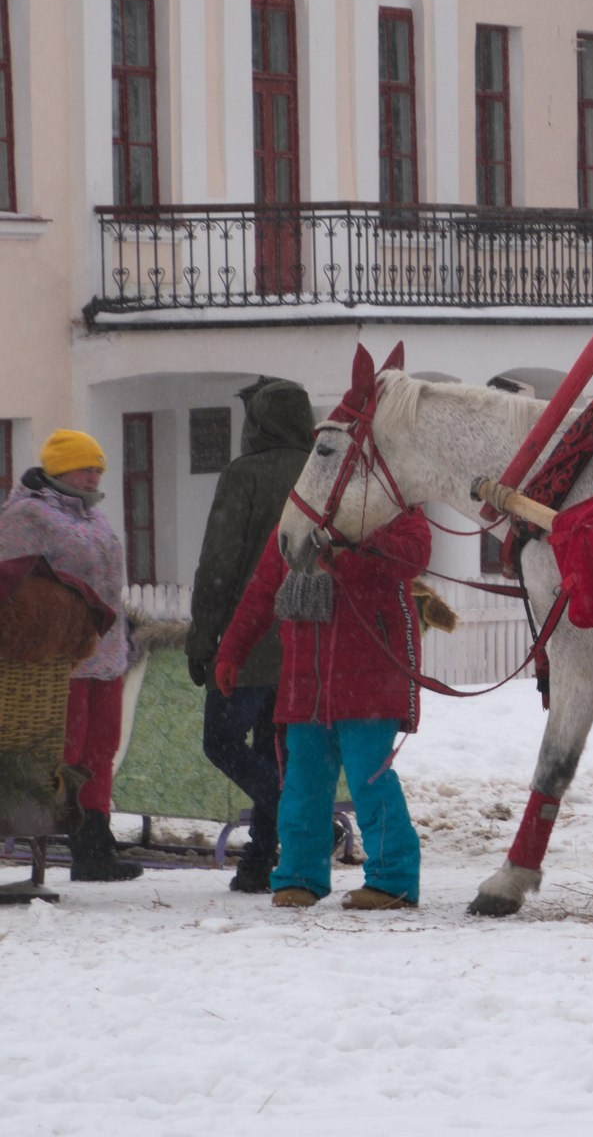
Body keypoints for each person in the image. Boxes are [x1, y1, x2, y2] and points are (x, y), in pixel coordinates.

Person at [215, 508, 432, 910]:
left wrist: (354, 548)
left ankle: (393, 880)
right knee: (302, 785)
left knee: (371, 780)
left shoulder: (389, 502)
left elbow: (414, 554)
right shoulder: (295, 515)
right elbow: (264, 588)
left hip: (370, 676)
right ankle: (299, 876)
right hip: (305, 682)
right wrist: (233, 647)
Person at [186, 378, 315, 894]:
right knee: (272, 747)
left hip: (251, 637)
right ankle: (260, 861)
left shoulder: (245, 475)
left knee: (221, 742)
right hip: (306, 637)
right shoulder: (321, 471)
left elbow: (220, 563)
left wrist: (204, 638)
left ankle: (295, 816)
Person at [0, 429, 139, 881]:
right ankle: (66, 834)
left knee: (102, 747)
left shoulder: (93, 515)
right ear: (58, 469)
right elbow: (13, 586)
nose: (93, 474)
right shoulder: (26, 514)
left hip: (108, 650)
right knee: (66, 749)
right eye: (85, 467)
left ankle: (95, 843)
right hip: (61, 656)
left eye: (97, 468)